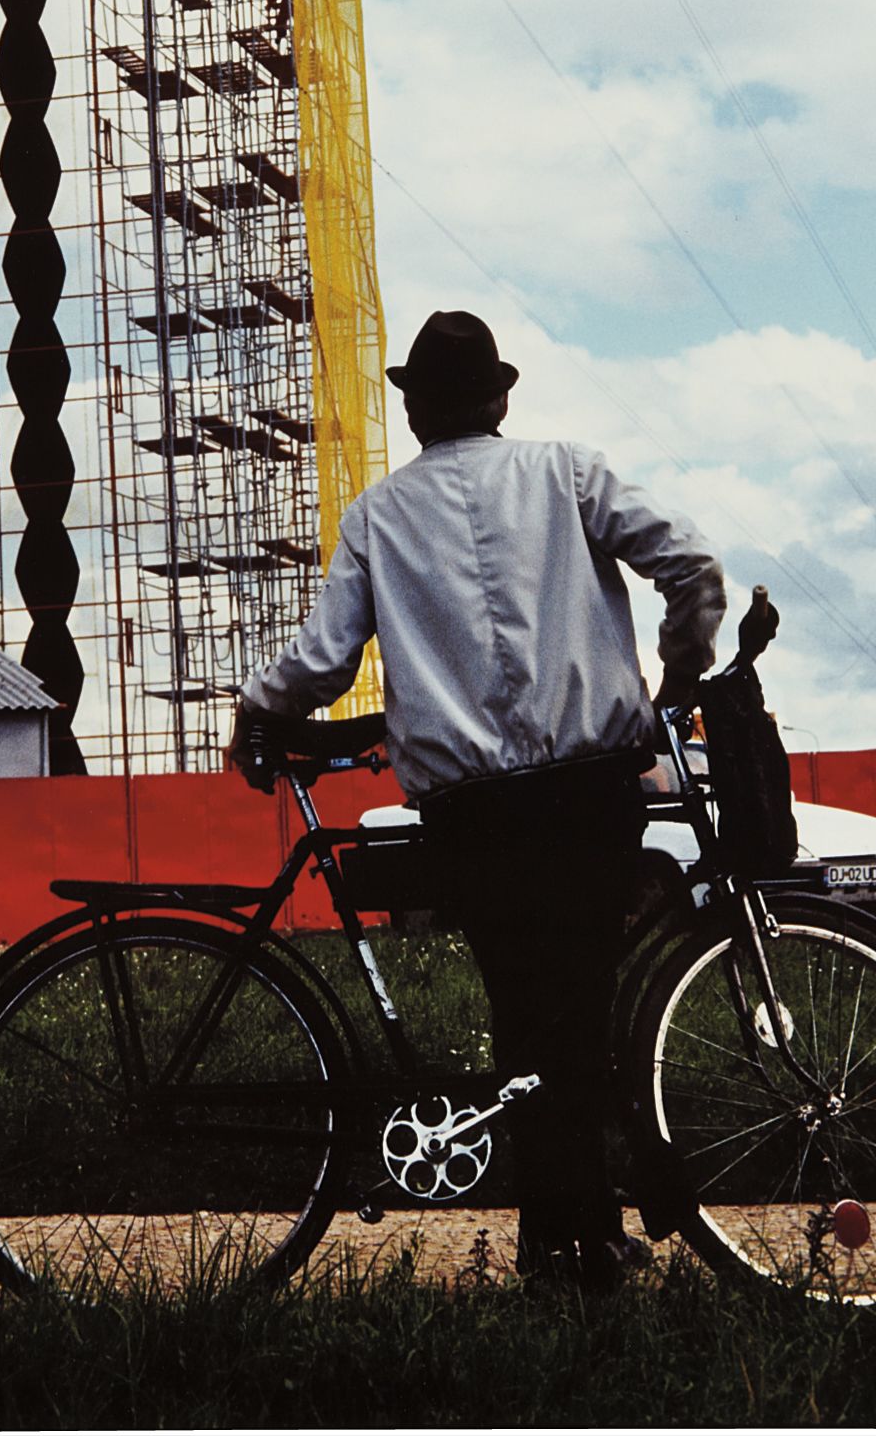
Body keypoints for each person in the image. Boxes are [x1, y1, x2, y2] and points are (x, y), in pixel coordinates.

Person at [230, 308, 726, 1290]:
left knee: (531, 1012)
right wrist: (680, 672)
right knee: (575, 1013)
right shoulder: (571, 472)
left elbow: (324, 664)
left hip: (474, 811)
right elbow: (692, 567)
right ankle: (575, 1240)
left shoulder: (378, 516)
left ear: (414, 409)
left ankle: (565, 1237)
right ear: (500, 397)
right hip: (590, 790)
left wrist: (260, 708)